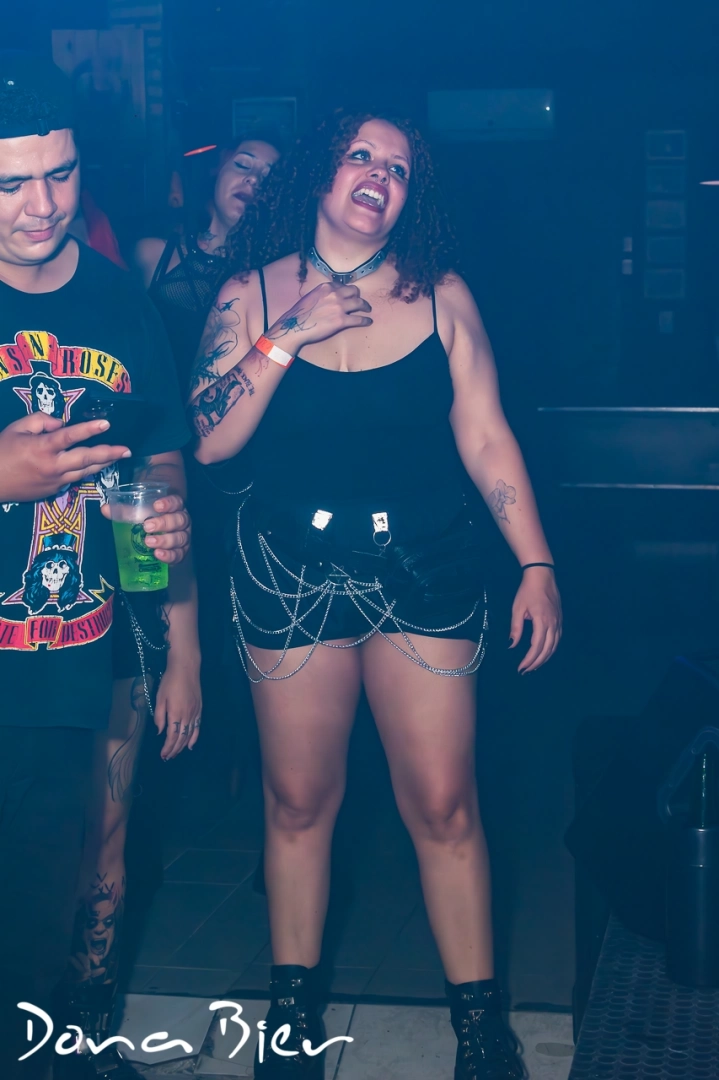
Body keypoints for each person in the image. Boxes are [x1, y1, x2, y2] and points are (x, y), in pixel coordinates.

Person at [187, 110, 562, 1080]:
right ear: (319, 172)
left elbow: (485, 435)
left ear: (408, 196)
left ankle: (479, 1033)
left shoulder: (441, 296)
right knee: (297, 802)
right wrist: (288, 333)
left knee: (443, 804)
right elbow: (210, 441)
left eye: (397, 167)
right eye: (359, 155)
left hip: (424, 570)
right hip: (288, 571)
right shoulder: (247, 292)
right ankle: (291, 1028)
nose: (377, 174)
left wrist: (535, 563)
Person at [0, 55, 192, 1080]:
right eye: (11, 183)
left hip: (64, 668)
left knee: (37, 919)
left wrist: (161, 533)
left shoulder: (120, 303)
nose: (43, 205)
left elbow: (154, 459)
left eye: (61, 174)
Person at [134, 134, 281, 396]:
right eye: (243, 165)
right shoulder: (152, 255)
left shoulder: (275, 280)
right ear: (218, 171)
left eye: (268, 178)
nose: (253, 179)